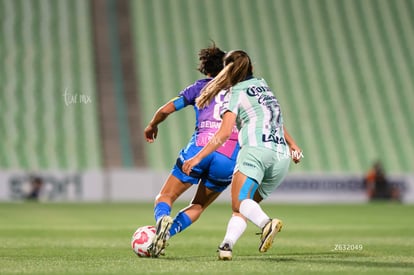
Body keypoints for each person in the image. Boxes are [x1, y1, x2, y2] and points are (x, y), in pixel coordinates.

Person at [182, 50, 302, 260]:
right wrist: (293, 145)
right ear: (252, 68)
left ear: (226, 71)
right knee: (245, 207)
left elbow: (224, 133)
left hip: (256, 152)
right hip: (281, 156)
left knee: (240, 203)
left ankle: (267, 224)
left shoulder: (235, 93)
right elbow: (275, 120)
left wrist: (197, 158)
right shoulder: (264, 87)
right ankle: (226, 246)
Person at [143, 44, 240, 257]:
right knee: (197, 206)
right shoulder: (238, 91)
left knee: (165, 196)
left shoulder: (199, 87)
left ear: (205, 69)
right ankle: (168, 235)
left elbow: (166, 109)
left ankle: (162, 222)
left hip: (199, 148)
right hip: (228, 156)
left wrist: (152, 125)